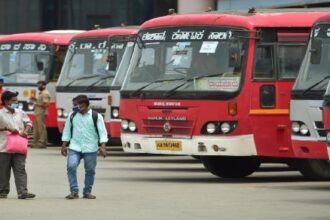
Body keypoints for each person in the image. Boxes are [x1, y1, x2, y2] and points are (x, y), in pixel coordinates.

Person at [61, 95, 108, 199]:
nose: (76, 108)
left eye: (79, 106)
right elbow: (67, 130)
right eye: (75, 106)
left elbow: (102, 133)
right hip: (75, 147)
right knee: (71, 166)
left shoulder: (96, 116)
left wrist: (103, 147)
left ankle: (87, 191)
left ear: (86, 105)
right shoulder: (72, 115)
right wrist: (64, 146)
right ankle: (74, 190)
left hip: (90, 148)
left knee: (90, 170)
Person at [0, 91, 35, 199]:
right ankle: (3, 191)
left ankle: (22, 191)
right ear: (6, 101)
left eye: (16, 100)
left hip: (19, 145)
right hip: (3, 147)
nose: (16, 102)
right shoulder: (0, 113)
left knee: (21, 169)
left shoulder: (20, 112)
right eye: (13, 101)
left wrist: (26, 130)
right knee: (3, 171)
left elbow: (29, 122)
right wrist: (7, 128)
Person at [31, 80, 50, 148]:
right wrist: (35, 100)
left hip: (41, 112)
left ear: (44, 85)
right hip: (38, 112)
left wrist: (36, 104)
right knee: (36, 128)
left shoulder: (45, 93)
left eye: (39, 85)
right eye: (38, 85)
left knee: (41, 128)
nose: (38, 86)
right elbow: (42, 102)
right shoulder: (41, 93)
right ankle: (35, 142)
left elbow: (46, 104)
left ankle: (42, 143)